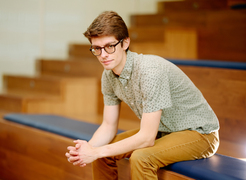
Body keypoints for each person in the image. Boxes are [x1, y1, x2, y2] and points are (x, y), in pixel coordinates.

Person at [65, 11, 219, 180]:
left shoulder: (149, 72)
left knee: (141, 158)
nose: (103, 55)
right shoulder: (108, 75)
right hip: (164, 131)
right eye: (97, 48)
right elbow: (108, 126)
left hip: (199, 134)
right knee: (103, 152)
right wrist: (88, 148)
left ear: (125, 43)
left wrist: (96, 151)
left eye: (110, 46)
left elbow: (146, 138)